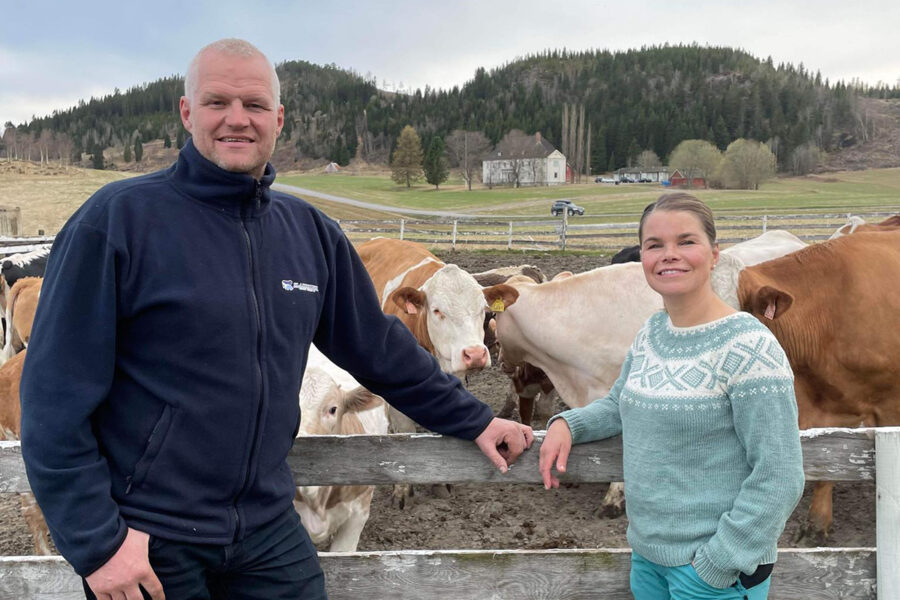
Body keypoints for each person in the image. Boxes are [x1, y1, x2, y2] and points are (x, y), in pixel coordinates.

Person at [20, 38, 533, 600]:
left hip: (266, 526)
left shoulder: (309, 234)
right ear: (187, 112)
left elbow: (378, 349)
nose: (237, 119)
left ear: (279, 119)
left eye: (255, 105)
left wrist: (475, 420)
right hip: (150, 534)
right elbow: (52, 397)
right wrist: (98, 545)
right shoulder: (116, 223)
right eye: (217, 102)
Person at [539, 193, 804, 600]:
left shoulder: (750, 346)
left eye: (686, 241)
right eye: (654, 245)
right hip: (649, 561)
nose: (669, 255)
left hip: (711, 570)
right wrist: (568, 423)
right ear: (641, 257)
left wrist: (717, 564)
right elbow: (619, 403)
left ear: (714, 254)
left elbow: (780, 474)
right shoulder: (652, 333)